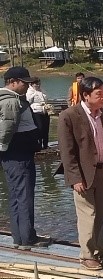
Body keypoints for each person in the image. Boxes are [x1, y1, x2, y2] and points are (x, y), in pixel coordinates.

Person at [58, 76, 103, 270]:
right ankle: (86, 255)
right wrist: (74, 178)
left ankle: (99, 249)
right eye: (99, 94)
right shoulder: (69, 116)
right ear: (85, 95)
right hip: (83, 174)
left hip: (102, 171)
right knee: (88, 214)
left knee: (101, 213)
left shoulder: (102, 114)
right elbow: (66, 151)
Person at [0, 66, 50, 250]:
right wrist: (4, 148)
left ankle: (19, 236)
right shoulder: (11, 102)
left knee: (15, 195)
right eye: (24, 83)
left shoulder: (12, 99)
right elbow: (7, 128)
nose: (27, 87)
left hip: (14, 154)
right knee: (25, 195)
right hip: (18, 154)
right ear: (12, 82)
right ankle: (28, 238)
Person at [27, 79, 50, 149]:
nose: (38, 85)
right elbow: (28, 101)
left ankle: (45, 144)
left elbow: (46, 98)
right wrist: (34, 93)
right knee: (39, 128)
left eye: (39, 83)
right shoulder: (29, 91)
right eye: (36, 84)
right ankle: (39, 144)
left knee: (46, 128)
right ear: (32, 84)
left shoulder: (42, 90)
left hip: (44, 110)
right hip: (36, 111)